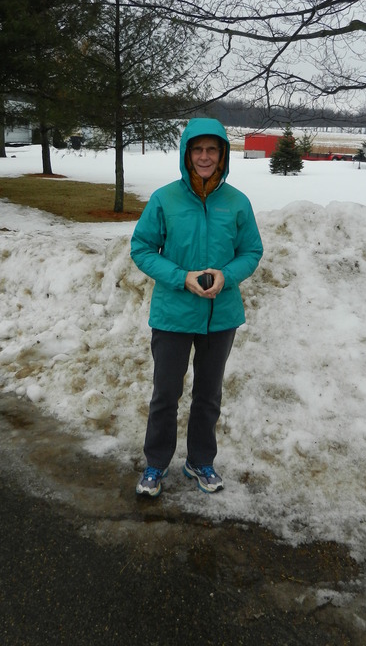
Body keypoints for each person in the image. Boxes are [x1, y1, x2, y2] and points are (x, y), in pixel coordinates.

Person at [131, 118, 263, 497]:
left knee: (208, 394)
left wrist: (227, 275)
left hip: (221, 317)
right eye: (198, 149)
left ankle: (200, 460)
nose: (205, 157)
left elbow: (252, 251)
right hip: (173, 314)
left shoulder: (237, 203)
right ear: (186, 154)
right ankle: (155, 464)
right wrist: (180, 276)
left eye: (212, 149)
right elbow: (141, 248)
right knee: (165, 394)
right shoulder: (165, 199)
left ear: (223, 155)